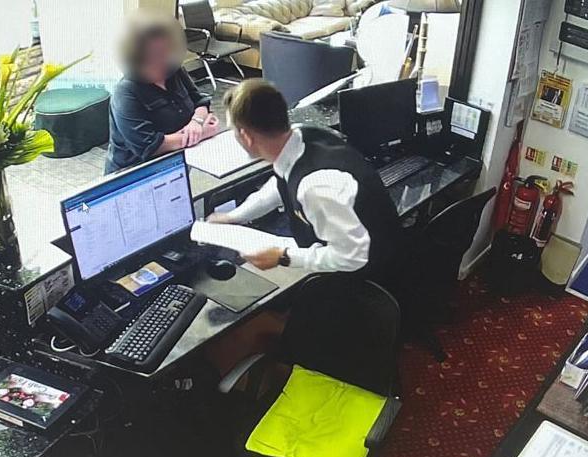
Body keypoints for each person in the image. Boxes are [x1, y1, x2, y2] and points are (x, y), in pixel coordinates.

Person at [207, 79, 401, 285]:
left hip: (370, 279)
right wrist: (233, 217)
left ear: (245, 136)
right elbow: (280, 183)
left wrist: (283, 256)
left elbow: (352, 258)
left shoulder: (315, 188)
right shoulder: (300, 136)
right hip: (371, 245)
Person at [106, 13, 219, 174]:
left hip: (177, 162)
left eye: (166, 52)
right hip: (134, 175)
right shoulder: (125, 92)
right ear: (137, 57)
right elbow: (149, 146)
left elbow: (200, 102)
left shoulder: (174, 71)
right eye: (155, 55)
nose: (163, 60)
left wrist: (196, 122)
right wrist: (202, 132)